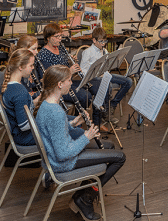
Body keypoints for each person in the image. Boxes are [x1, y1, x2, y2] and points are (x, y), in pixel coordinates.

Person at [35, 65, 126, 221]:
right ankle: (84, 198)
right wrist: (86, 136)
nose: (72, 83)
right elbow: (63, 154)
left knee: (109, 146)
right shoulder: (55, 112)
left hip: (55, 156)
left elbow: (54, 132)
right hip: (62, 162)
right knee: (120, 157)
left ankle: (84, 194)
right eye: (69, 80)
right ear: (60, 84)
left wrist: (73, 124)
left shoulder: (46, 104)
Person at [37, 24, 102, 126]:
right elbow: (49, 78)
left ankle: (97, 122)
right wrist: (69, 71)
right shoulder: (43, 54)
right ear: (48, 38)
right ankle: (77, 123)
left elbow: (63, 65)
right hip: (57, 87)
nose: (60, 39)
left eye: (61, 36)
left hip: (67, 80)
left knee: (95, 86)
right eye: (57, 36)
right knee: (85, 96)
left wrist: (71, 62)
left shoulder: (61, 48)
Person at [80, 27, 133, 124]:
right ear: (94, 40)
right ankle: (105, 113)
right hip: (94, 79)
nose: (103, 44)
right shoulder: (87, 52)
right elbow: (83, 72)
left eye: (105, 41)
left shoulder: (104, 50)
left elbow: (109, 65)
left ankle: (112, 105)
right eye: (101, 41)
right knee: (108, 85)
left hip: (105, 75)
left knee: (128, 81)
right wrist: (96, 74)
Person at [0, 49, 38, 146]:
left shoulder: (7, 86)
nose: (33, 68)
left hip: (18, 134)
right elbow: (24, 126)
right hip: (24, 137)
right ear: (20, 67)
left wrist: (39, 99)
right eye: (31, 65)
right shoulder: (20, 92)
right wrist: (43, 120)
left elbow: (23, 108)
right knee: (62, 128)